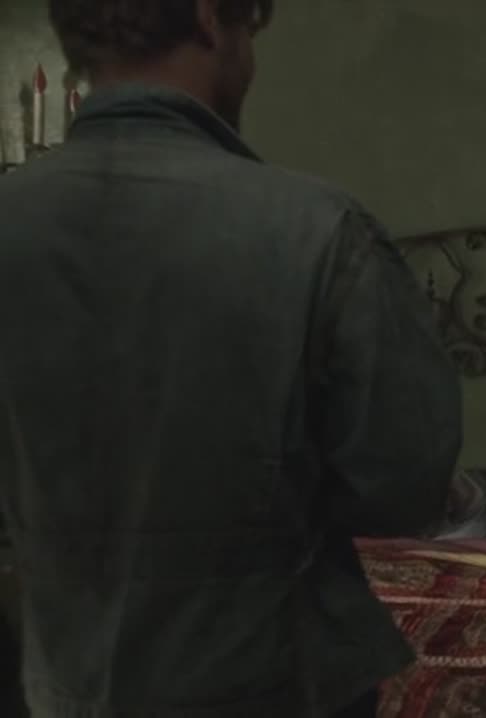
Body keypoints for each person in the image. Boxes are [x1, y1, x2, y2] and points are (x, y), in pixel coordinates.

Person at [0, 1, 462, 716]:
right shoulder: (319, 230)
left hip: (66, 684)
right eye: (252, 29)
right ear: (211, 18)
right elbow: (404, 487)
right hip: (274, 680)